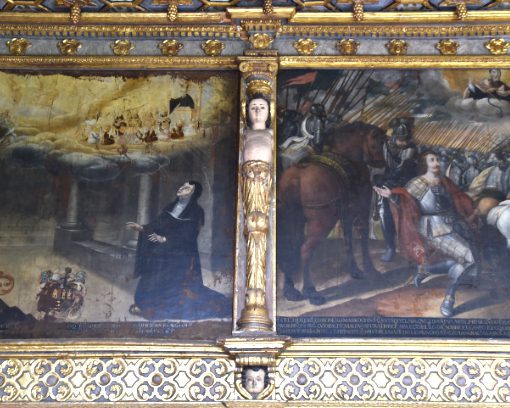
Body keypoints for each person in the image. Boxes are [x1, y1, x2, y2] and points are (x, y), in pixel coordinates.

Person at [374, 151, 480, 317]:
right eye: (432, 160)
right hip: (433, 227)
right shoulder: (417, 183)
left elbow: (457, 197)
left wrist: (469, 209)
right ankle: (449, 297)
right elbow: (406, 201)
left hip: (453, 224)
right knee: (468, 258)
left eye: (437, 159)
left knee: (471, 258)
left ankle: (426, 270)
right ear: (425, 164)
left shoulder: (445, 181)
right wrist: (392, 195)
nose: (436, 162)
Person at [126, 181, 230, 320]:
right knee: (151, 272)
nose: (181, 188)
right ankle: (145, 305)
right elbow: (156, 225)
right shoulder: (170, 207)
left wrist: (164, 239)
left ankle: (154, 309)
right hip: (163, 253)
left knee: (174, 285)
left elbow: (189, 235)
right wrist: (141, 228)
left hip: (182, 256)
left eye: (187, 188)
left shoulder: (196, 212)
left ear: (193, 193)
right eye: (182, 185)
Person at [374, 117, 417, 262]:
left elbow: (403, 168)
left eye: (406, 140)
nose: (404, 143)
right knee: (386, 215)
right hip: (388, 183)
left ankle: (412, 249)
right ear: (394, 137)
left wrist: (387, 180)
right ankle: (390, 248)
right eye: (401, 140)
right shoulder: (385, 145)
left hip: (405, 183)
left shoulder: (410, 148)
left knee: (409, 216)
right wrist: (380, 178)